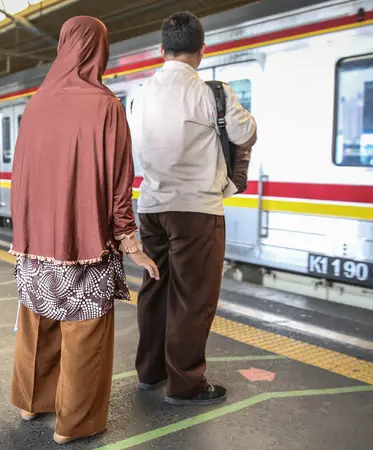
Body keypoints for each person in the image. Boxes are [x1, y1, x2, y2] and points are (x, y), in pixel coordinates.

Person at [8, 16, 159, 445]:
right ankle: (73, 424)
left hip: (35, 243)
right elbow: (118, 182)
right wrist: (131, 242)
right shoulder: (105, 104)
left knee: (37, 323)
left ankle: (30, 402)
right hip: (85, 242)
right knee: (85, 332)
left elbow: (21, 175)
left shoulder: (36, 103)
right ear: (98, 50)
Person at [128, 12, 257, 406]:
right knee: (192, 297)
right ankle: (186, 384)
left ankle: (150, 372)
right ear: (202, 50)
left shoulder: (138, 94)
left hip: (150, 207)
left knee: (154, 290)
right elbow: (246, 133)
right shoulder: (213, 93)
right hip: (197, 210)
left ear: (162, 51)